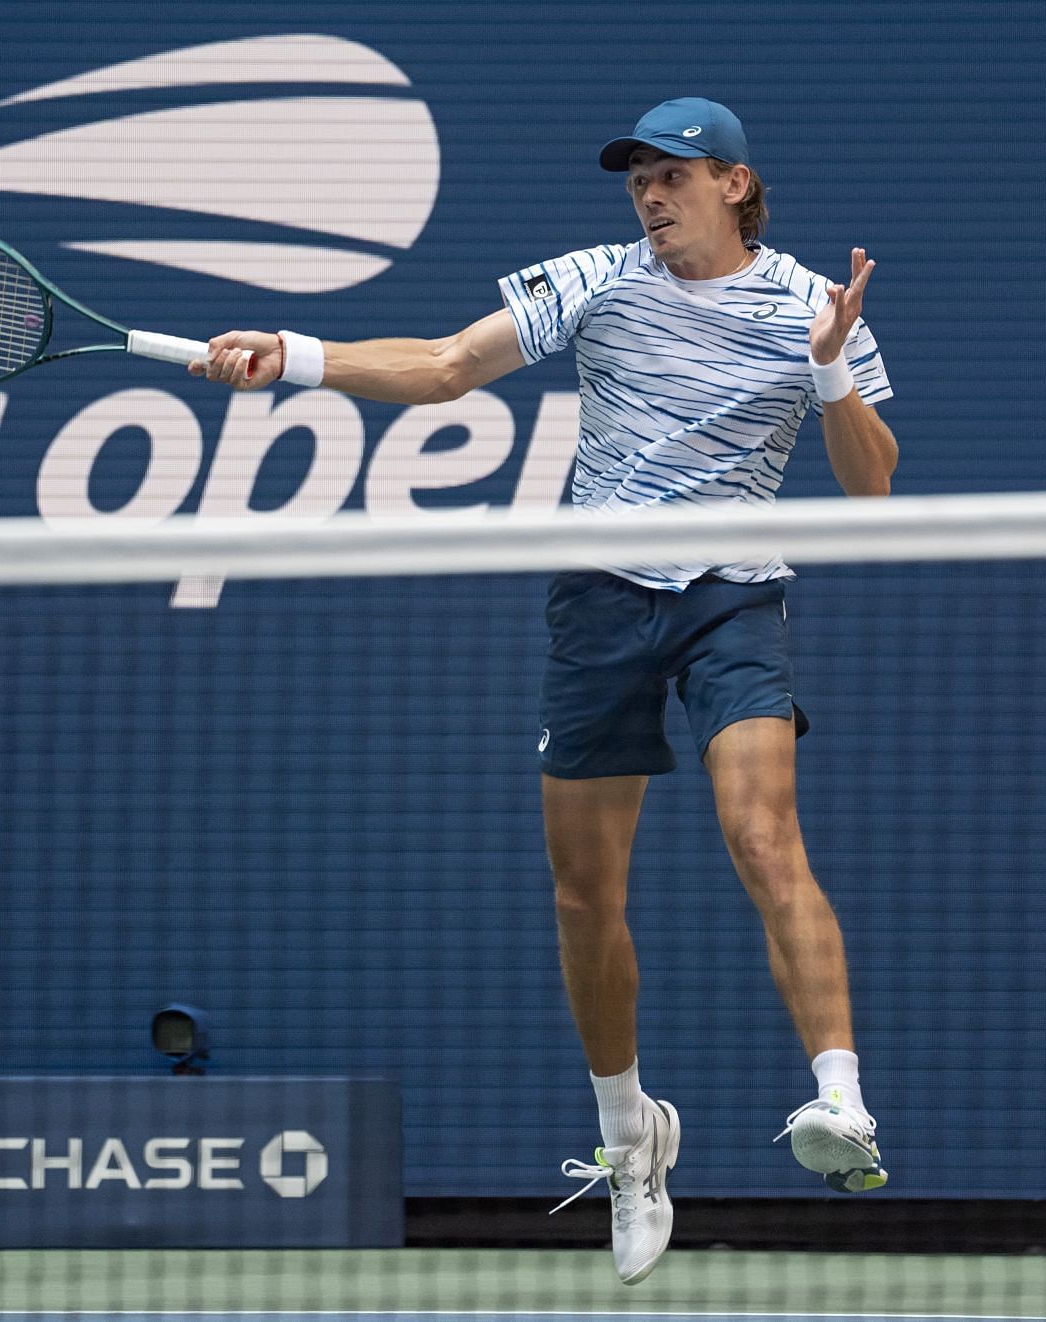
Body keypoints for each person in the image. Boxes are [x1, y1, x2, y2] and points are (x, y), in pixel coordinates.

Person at [191, 96, 898, 1287]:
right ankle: (632, 1138)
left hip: (735, 593)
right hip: (602, 599)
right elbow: (449, 365)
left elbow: (872, 489)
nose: (650, 194)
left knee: (764, 833)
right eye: (638, 180)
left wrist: (829, 373)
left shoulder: (813, 306)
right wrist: (296, 356)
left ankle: (842, 1101)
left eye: (673, 175)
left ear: (736, 183)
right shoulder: (597, 280)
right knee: (585, 895)